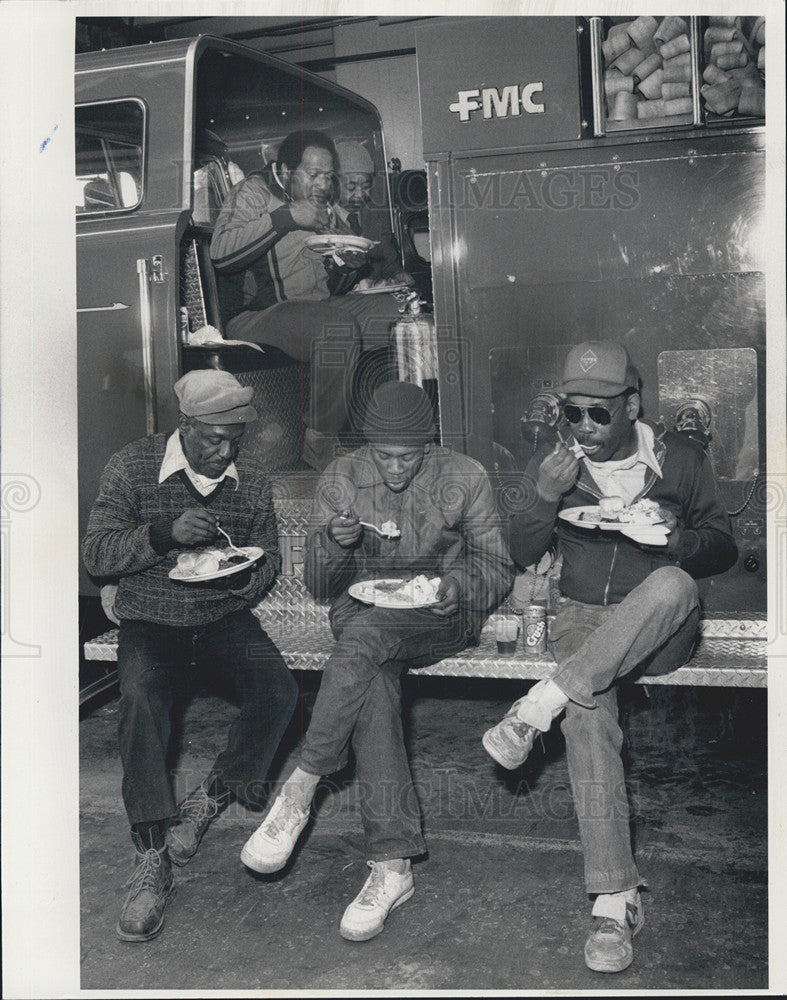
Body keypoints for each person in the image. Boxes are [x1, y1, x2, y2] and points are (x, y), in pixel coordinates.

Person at [482, 342, 738, 973]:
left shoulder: (677, 459)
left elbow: (720, 547)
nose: (584, 429)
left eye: (599, 415)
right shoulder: (560, 462)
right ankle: (612, 896)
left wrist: (676, 537)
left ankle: (538, 701)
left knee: (674, 583)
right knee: (587, 712)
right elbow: (520, 551)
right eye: (573, 414)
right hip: (581, 619)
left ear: (632, 404)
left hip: (658, 625)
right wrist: (542, 496)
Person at [239, 381, 514, 941]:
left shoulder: (464, 475)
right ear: (366, 448)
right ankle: (393, 866)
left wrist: (455, 586)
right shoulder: (342, 477)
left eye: (408, 458)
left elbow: (496, 566)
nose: (394, 469)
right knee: (372, 675)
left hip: (440, 615)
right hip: (360, 615)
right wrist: (333, 546)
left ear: (429, 446)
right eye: (383, 457)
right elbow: (318, 585)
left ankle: (300, 787)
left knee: (361, 648)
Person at [81, 369, 298, 943]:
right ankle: (152, 854)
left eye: (234, 439)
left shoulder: (249, 478)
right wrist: (163, 533)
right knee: (140, 700)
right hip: (152, 620)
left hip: (222, 617)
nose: (224, 451)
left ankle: (214, 794)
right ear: (185, 426)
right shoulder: (132, 465)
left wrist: (237, 585)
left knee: (279, 692)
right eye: (211, 439)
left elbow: (269, 557)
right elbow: (97, 555)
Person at [210, 129, 408, 471]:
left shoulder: (321, 206)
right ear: (286, 172)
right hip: (257, 315)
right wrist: (287, 217)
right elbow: (221, 254)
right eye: (313, 175)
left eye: (328, 176)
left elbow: (325, 282)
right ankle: (321, 442)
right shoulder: (253, 191)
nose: (321, 185)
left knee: (398, 313)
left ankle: (381, 429)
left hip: (312, 311)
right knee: (336, 327)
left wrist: (348, 264)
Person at [331, 139, 413, 293]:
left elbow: (389, 262)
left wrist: (399, 275)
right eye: (351, 186)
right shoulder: (323, 220)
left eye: (366, 186)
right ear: (334, 184)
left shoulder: (374, 214)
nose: (360, 194)